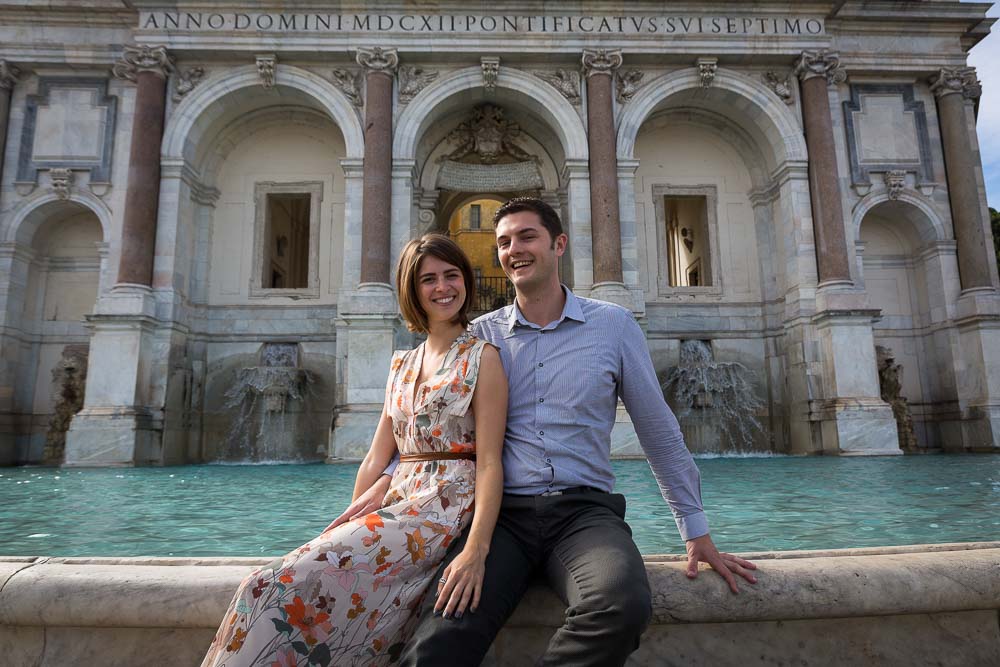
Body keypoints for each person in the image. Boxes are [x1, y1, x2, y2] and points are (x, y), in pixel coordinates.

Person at [349, 198, 758, 666]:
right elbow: (434, 429)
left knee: (621, 605)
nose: (513, 250)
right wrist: (387, 478)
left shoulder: (613, 326)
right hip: (499, 517)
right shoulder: (479, 337)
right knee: (441, 633)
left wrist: (695, 529)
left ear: (558, 244)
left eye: (526, 237)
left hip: (584, 513)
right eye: (503, 242)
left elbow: (659, 433)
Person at [201, 234, 507, 667]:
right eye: (428, 279)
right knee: (263, 583)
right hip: (400, 502)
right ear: (411, 289)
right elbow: (376, 456)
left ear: (466, 282)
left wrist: (477, 550)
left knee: (270, 583)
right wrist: (349, 526)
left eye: (451, 276)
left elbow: (491, 462)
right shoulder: (402, 362)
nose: (443, 287)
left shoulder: (483, 357)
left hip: (444, 509)